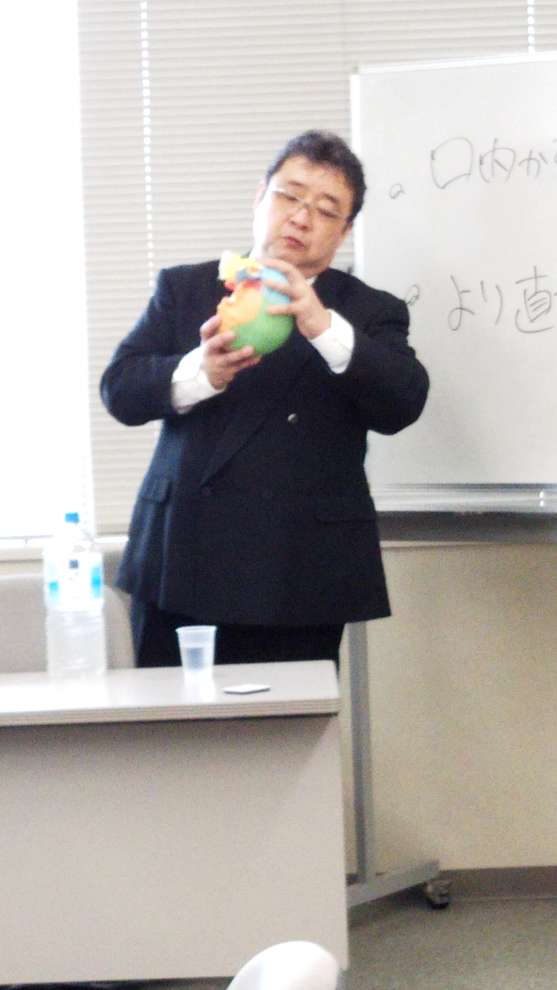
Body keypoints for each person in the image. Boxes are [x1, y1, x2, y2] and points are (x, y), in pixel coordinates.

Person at [100, 130, 429, 667]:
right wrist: (199, 373)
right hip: (182, 555)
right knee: (170, 719)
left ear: (345, 230)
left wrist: (324, 327)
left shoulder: (370, 311)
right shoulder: (184, 288)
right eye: (290, 196)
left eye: (326, 209)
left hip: (301, 571)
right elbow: (120, 390)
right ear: (260, 197)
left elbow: (403, 404)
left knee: (292, 721)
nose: (301, 218)